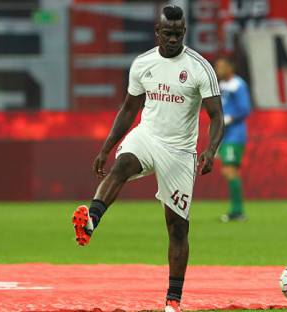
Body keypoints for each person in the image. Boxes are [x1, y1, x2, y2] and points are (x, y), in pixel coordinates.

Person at [71, 5, 224, 312]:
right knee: (122, 165)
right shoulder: (143, 64)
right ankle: (91, 221)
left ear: (184, 31)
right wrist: (106, 147)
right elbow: (129, 109)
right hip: (148, 136)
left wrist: (210, 150)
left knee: (177, 227)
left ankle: (173, 300)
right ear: (157, 32)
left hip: (180, 152)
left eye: (179, 33)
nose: (173, 39)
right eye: (168, 33)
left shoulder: (199, 67)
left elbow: (217, 115)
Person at [214, 58, 251, 222]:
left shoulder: (238, 84)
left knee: (230, 170)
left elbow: (245, 108)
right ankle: (237, 210)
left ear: (230, 67)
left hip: (234, 134)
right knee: (227, 171)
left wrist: (230, 118)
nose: (218, 69)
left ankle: (237, 211)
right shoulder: (222, 86)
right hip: (225, 134)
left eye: (222, 66)